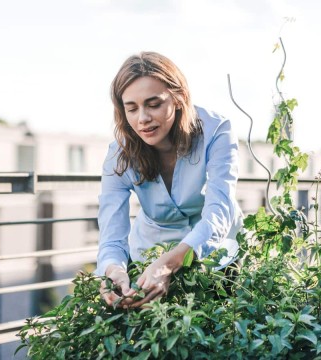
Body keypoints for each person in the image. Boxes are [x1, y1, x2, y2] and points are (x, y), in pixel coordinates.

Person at [97, 51, 243, 308]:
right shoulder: (118, 154)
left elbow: (218, 211)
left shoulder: (217, 131)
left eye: (153, 104)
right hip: (149, 256)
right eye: (131, 108)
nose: (142, 118)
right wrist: (114, 272)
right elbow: (112, 234)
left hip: (215, 253)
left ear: (178, 98)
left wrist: (168, 264)